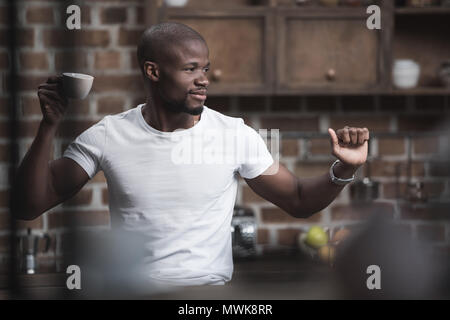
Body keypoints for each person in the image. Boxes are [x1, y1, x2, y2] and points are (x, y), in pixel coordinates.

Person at [12, 22, 369, 286]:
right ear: (153, 72)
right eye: (189, 69)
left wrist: (343, 168)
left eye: (205, 69)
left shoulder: (234, 134)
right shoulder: (109, 134)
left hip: (207, 299)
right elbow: (29, 205)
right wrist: (48, 126)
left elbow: (299, 200)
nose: (203, 80)